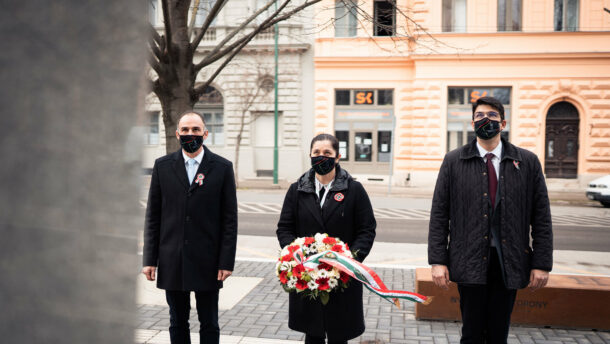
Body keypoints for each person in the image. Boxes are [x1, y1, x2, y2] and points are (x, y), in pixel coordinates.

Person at [428, 96, 553, 344]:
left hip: (509, 260)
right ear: (473, 123)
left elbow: (541, 216)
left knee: (498, 333)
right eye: (480, 116)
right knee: (472, 333)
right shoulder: (454, 161)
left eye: (492, 116)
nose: (486, 120)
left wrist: (541, 263)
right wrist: (437, 260)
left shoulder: (527, 162)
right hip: (468, 258)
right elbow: (440, 213)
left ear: (503, 123)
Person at [142, 111, 238, 344]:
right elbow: (153, 216)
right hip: (172, 258)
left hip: (208, 260)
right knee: (177, 321)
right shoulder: (163, 167)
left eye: (195, 130)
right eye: (185, 130)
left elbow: (229, 220)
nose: (190, 134)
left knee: (209, 322)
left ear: (205, 133)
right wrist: (149, 259)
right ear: (177, 134)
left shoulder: (222, 168)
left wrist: (226, 261)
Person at [276, 133, 377, 344]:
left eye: (327, 153)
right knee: (312, 335)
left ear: (337, 157)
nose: (321, 157)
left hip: (342, 276)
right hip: (308, 276)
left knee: (339, 335)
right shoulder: (297, 190)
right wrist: (298, 257)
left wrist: (349, 260)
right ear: (310, 155)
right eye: (317, 153)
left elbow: (366, 229)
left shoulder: (354, 190)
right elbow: (285, 228)